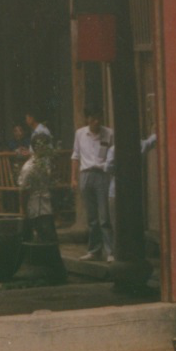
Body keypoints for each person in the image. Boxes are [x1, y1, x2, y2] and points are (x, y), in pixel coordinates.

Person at [71, 108, 114, 262]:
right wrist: (73, 178)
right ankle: (94, 250)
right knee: (92, 217)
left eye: (99, 118)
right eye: (93, 118)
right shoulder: (80, 133)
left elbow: (113, 154)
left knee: (104, 216)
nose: (97, 121)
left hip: (102, 174)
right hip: (85, 175)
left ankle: (110, 251)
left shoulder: (109, 133)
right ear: (87, 119)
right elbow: (75, 156)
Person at [18, 135, 58, 244]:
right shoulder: (29, 167)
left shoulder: (45, 163)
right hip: (36, 208)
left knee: (50, 240)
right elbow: (23, 190)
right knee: (45, 240)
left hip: (47, 205)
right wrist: (23, 211)